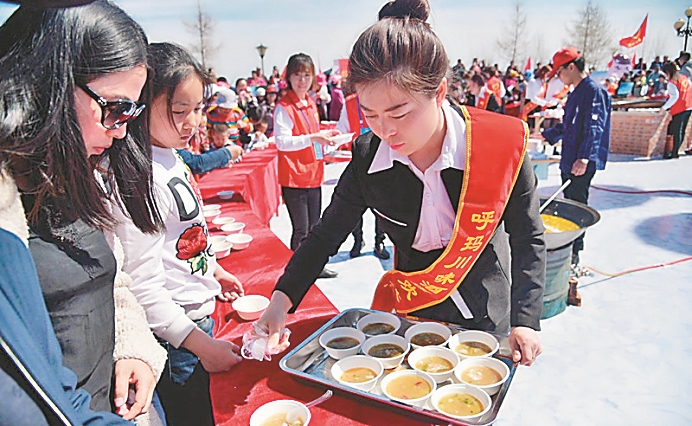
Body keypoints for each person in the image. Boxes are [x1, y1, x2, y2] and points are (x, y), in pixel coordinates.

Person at [258, 0, 545, 367]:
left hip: (486, 308)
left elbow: (528, 236)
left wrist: (526, 320)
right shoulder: (369, 156)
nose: (386, 130)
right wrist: (281, 301)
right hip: (415, 306)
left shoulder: (502, 144)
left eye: (399, 112)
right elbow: (326, 236)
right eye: (371, 114)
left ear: (439, 93)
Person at [0, 1, 167, 422]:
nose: (121, 130)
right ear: (46, 81)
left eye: (131, 111)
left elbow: (111, 277)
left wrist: (133, 347)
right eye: (114, 108)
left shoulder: (74, 172)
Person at [113, 42, 245, 426]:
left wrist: (214, 271)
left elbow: (186, 234)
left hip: (197, 322)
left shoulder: (171, 156)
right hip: (178, 339)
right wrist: (200, 345)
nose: (192, 123)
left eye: (198, 109)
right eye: (178, 112)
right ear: (142, 105)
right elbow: (141, 284)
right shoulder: (142, 178)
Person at [542, 47, 611, 268]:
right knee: (567, 205)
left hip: (579, 162)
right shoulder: (575, 92)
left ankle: (574, 253)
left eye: (559, 72)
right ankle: (565, 246)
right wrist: (547, 135)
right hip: (569, 160)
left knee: (577, 207)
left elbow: (594, 126)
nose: (559, 77)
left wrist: (584, 157)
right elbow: (569, 124)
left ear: (571, 66)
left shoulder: (593, 91)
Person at [274, 52, 341, 279]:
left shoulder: (311, 103)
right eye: (297, 75)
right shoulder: (284, 106)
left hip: (313, 172)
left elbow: (314, 139)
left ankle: (313, 267)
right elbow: (282, 143)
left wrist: (328, 143)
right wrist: (314, 138)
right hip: (294, 175)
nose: (302, 80)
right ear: (289, 78)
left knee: (315, 228)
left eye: (306, 75)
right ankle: (296, 274)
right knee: (301, 229)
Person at [661, 62, 692, 158]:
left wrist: (663, 108)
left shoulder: (672, 83)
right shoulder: (685, 78)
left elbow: (674, 97)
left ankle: (674, 153)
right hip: (689, 106)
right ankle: (676, 150)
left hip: (679, 108)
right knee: (682, 131)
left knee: (677, 130)